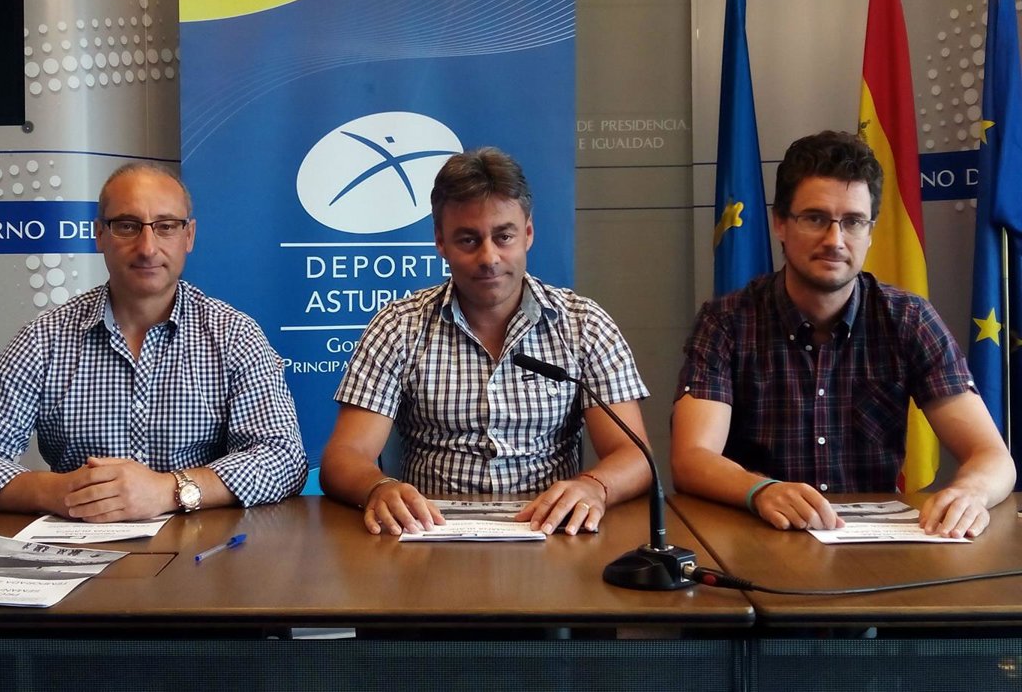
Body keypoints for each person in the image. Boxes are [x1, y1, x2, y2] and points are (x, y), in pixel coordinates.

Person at [671, 130, 1014, 538]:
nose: (834, 240)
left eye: (852, 222)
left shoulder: (908, 318)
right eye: (815, 218)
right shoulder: (727, 321)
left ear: (870, 232)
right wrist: (760, 490)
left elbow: (992, 457)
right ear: (780, 223)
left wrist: (970, 492)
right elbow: (691, 458)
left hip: (874, 545)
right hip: (760, 537)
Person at [0, 162, 307, 520]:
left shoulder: (234, 335)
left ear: (189, 236)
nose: (147, 248)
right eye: (128, 226)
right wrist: (59, 491)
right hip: (79, 541)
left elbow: (284, 459)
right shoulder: (44, 338)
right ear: (99, 234)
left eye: (166, 227)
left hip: (203, 548)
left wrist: (168, 490)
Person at [320, 147, 652, 536]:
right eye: (468, 240)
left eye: (504, 236)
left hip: (551, 530)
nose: (489, 257)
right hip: (430, 533)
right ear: (440, 242)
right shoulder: (399, 326)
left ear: (528, 234)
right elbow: (344, 457)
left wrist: (594, 486)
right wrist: (378, 488)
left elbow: (634, 455)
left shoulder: (584, 324)